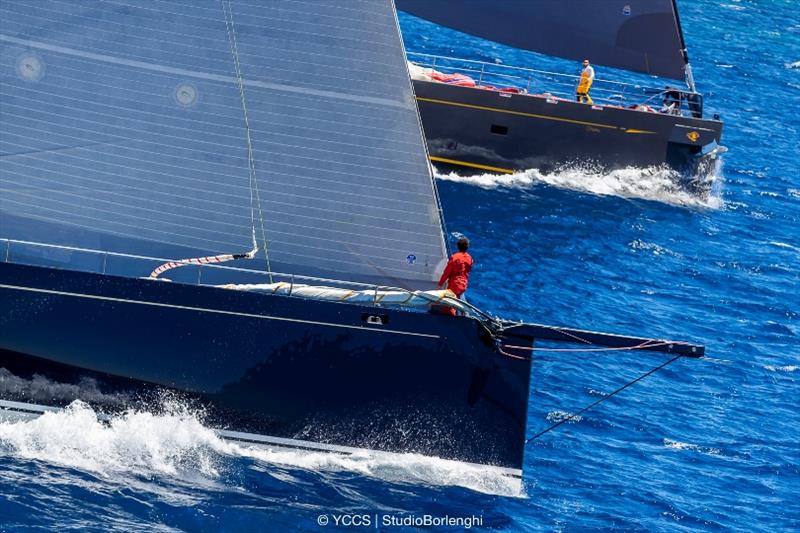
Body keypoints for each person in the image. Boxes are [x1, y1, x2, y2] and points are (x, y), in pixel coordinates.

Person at [437, 237, 473, 315]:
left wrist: (440, 284)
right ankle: (462, 318)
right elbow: (468, 271)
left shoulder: (455, 257)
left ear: (458, 246)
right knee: (459, 302)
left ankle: (450, 322)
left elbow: (447, 272)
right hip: (463, 284)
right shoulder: (470, 258)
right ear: (467, 247)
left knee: (449, 306)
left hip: (455, 284)